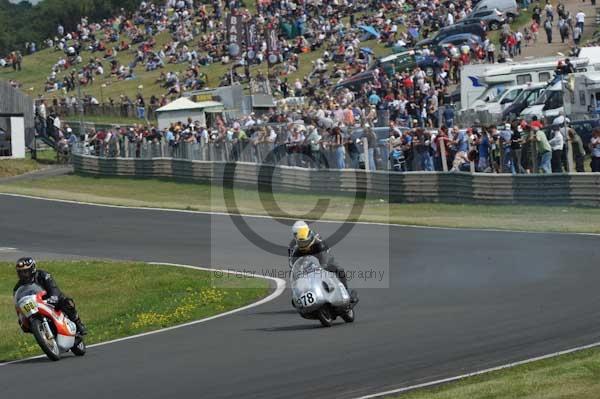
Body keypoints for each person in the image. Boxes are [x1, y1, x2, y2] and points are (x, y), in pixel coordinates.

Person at [14, 257, 87, 335]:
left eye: (25, 272)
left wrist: (53, 297)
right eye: (20, 272)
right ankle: (41, 333)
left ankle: (78, 324)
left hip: (49, 299)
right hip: (33, 305)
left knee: (67, 302)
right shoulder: (17, 287)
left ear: (32, 269)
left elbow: (53, 288)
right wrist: (20, 315)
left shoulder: (43, 275)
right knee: (23, 325)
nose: (23, 275)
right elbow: (17, 302)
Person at [289, 223, 358, 304]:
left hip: (320, 254)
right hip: (303, 258)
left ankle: (346, 292)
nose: (300, 234)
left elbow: (325, 256)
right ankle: (301, 296)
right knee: (297, 276)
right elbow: (292, 265)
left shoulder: (317, 240)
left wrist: (323, 266)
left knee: (338, 269)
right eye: (297, 233)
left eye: (302, 231)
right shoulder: (293, 245)